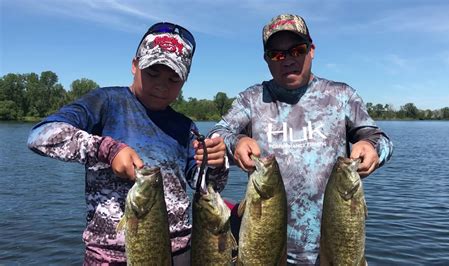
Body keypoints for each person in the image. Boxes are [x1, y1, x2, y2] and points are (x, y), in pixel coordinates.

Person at [27, 22, 228, 265]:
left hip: (180, 252)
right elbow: (40, 136)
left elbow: (204, 185)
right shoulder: (106, 102)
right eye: (153, 72)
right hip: (109, 256)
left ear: (184, 80)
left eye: (173, 78)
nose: (161, 85)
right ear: (135, 65)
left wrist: (215, 164)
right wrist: (108, 150)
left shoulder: (185, 126)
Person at [208, 14, 393, 264]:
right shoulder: (252, 99)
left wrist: (371, 147)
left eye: (297, 50)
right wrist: (236, 141)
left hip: (333, 249)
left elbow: (381, 139)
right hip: (263, 247)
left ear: (311, 50)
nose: (288, 60)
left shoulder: (341, 96)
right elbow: (216, 135)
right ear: (267, 60)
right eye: (277, 54)